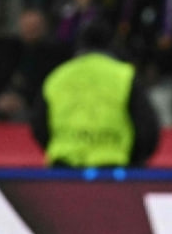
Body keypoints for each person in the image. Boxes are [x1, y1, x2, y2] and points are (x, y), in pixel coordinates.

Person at [29, 18, 160, 168]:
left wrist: (60, 148)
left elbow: (38, 124)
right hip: (112, 167)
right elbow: (147, 128)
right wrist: (134, 161)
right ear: (111, 45)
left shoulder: (58, 77)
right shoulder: (124, 75)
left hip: (65, 168)